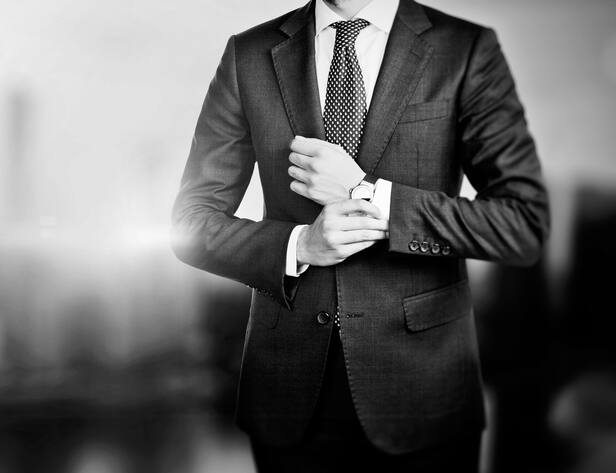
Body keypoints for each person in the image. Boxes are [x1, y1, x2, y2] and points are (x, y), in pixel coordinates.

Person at [171, 0, 549, 471]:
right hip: (287, 391)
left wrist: (366, 194)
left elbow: (522, 223)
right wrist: (298, 245)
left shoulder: (464, 48)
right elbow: (190, 221)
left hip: (425, 391)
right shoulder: (248, 54)